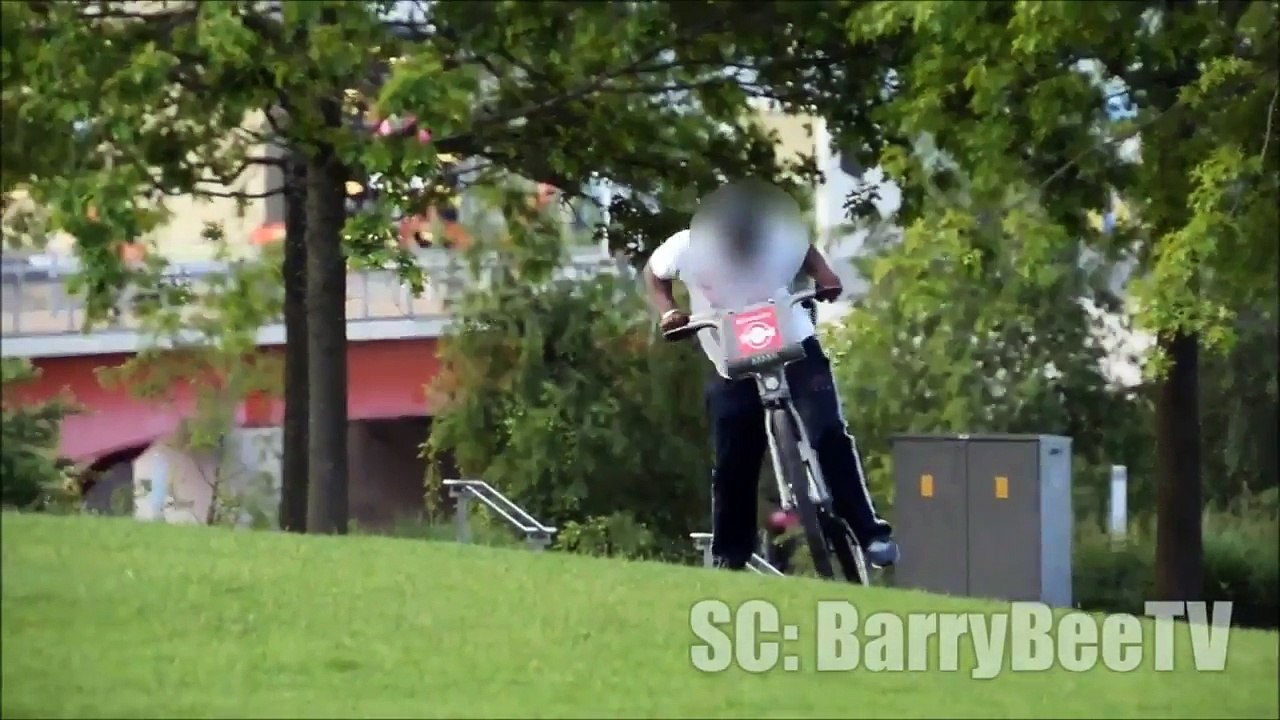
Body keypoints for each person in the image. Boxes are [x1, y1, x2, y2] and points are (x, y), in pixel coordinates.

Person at [642, 181, 898, 571]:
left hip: (793, 344)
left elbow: (805, 249)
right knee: (734, 458)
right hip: (730, 357)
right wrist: (669, 312)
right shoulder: (686, 246)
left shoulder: (778, 235)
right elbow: (654, 274)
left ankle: (869, 531)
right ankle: (731, 554)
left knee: (827, 430)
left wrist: (825, 275)